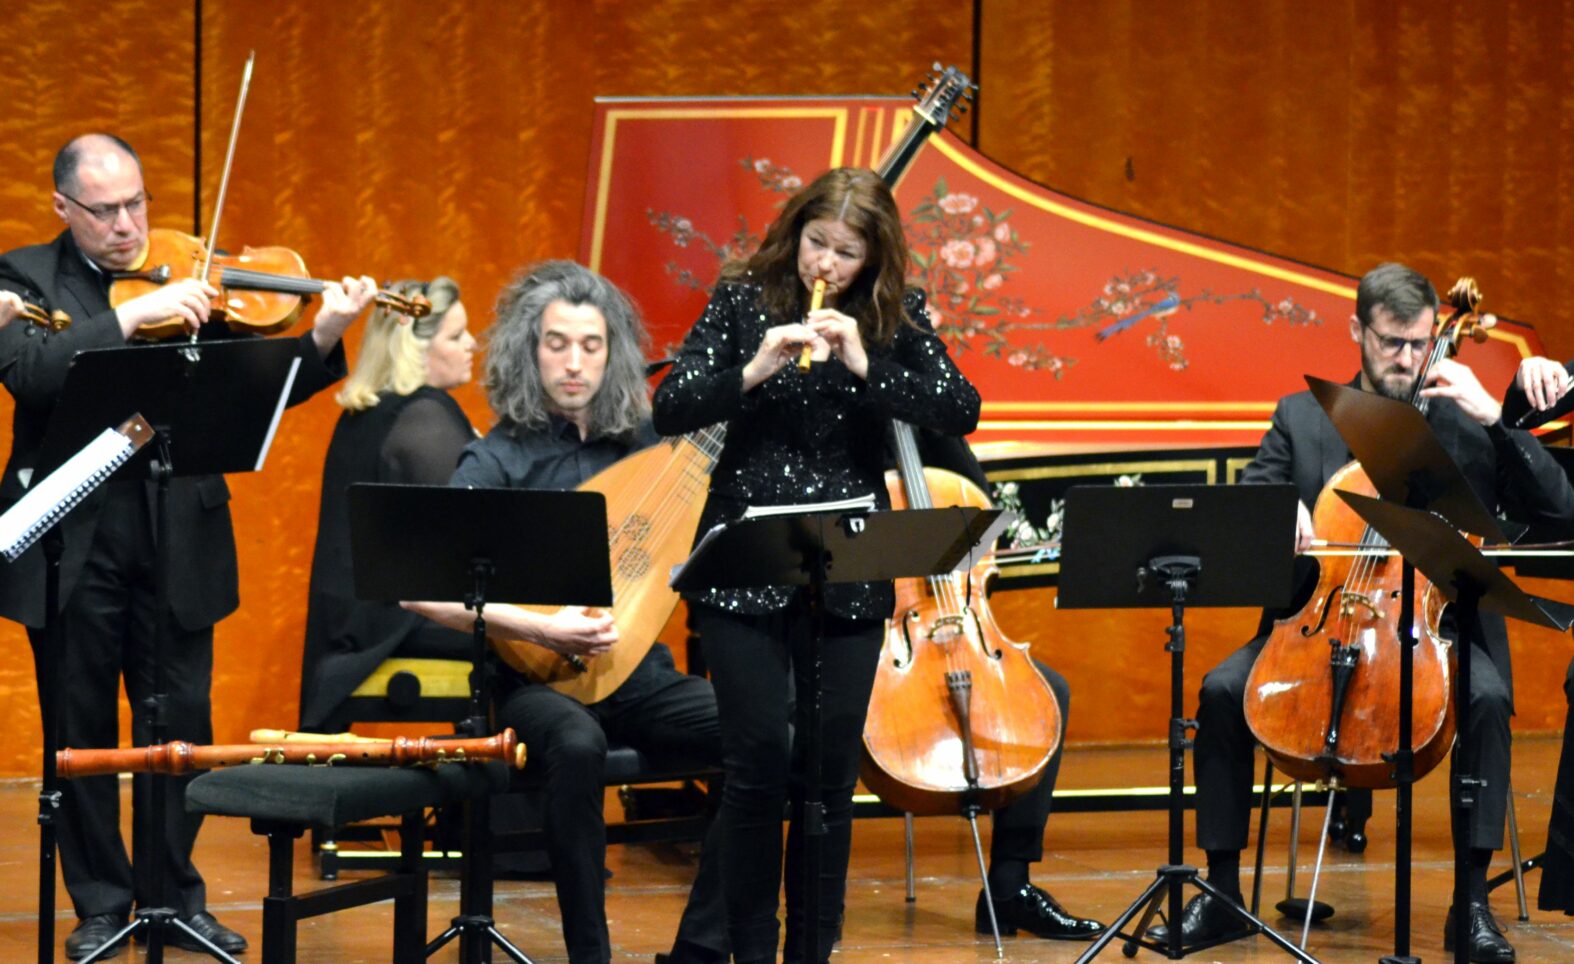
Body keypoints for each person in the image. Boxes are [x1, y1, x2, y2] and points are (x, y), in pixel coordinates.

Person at [0, 133, 376, 959]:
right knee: (83, 725)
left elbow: (257, 382)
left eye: (138, 202)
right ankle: (101, 901)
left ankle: (174, 895)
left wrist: (323, 336)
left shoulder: (191, 274)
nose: (129, 225)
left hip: (177, 525)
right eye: (105, 211)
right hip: (74, 534)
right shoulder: (22, 276)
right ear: (63, 208)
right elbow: (27, 372)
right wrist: (126, 318)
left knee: (181, 722)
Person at [1158, 263, 1574, 962]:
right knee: (1222, 691)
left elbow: (1560, 509)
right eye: (1391, 344)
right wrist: (1275, 512)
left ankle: (1470, 906)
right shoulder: (1303, 418)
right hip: (1317, 625)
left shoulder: (1469, 423)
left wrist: (1497, 420)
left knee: (1488, 700)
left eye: (1418, 344)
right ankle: (1223, 894)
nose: (1408, 361)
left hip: (1439, 631)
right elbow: (1247, 511)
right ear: (1357, 331)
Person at [650, 167, 982, 963]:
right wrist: (755, 368)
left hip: (850, 565)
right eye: (816, 244)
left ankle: (813, 952)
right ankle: (749, 951)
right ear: (794, 232)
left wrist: (868, 363)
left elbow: (959, 407)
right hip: (743, 563)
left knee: (829, 779)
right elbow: (670, 407)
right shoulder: (742, 299)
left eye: (846, 252)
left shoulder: (893, 318)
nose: (824, 266)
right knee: (758, 763)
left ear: (873, 259)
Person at [406, 260, 726, 964]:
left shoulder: (646, 449)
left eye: (591, 345)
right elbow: (419, 587)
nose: (574, 362)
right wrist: (540, 626)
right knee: (577, 746)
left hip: (640, 674)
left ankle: (701, 944)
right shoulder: (497, 460)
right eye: (557, 343)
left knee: (767, 733)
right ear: (530, 350)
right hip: (533, 687)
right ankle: (591, 954)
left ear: (614, 355)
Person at [915, 431, 1104, 942]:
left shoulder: (912, 395)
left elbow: (979, 505)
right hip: (861, 630)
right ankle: (817, 899)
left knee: (1049, 693)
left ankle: (1009, 887)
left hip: (947, 620)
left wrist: (914, 410)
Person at [298, 276, 477, 731]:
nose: (472, 345)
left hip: (347, 621)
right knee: (529, 648)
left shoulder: (366, 410)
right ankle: (490, 788)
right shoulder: (424, 415)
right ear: (414, 347)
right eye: (456, 336)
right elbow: (469, 534)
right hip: (389, 625)